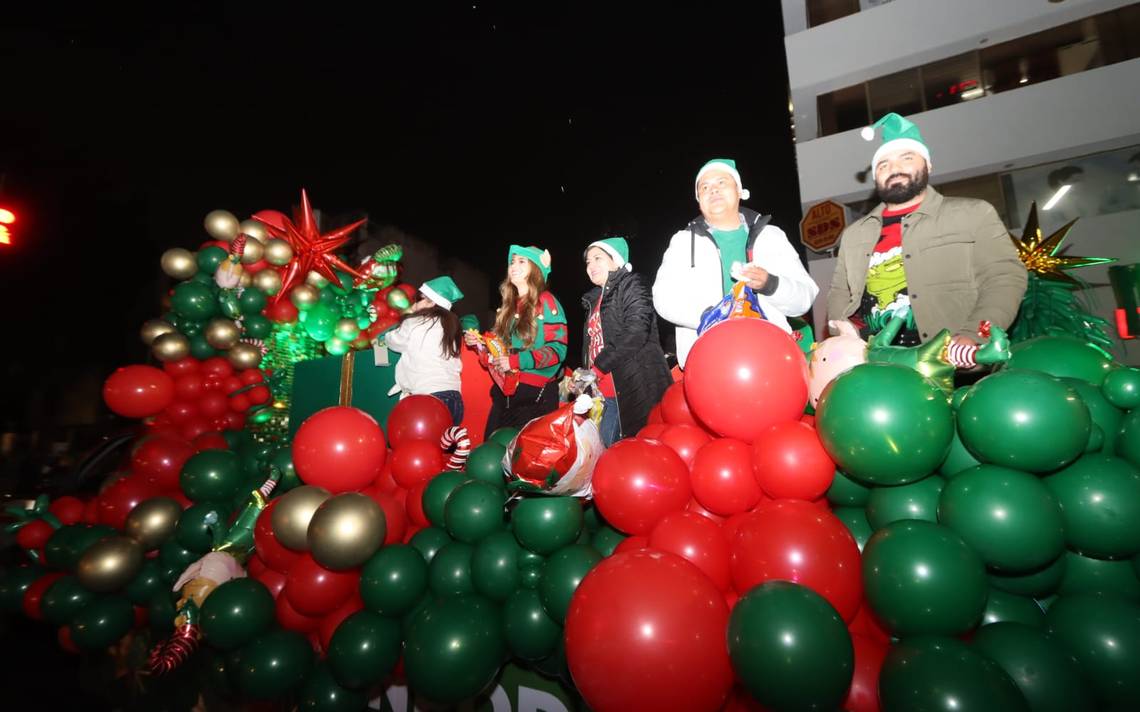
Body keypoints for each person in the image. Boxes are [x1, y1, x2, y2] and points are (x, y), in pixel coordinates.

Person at [826, 112, 1027, 367]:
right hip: (879, 367)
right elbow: (839, 292)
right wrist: (843, 331)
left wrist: (972, 335)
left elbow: (1005, 277)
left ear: (928, 165)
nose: (894, 168)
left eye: (906, 158)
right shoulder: (855, 234)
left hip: (954, 365)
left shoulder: (972, 213)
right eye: (883, 164)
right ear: (875, 177)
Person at [653, 158, 819, 367]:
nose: (713, 190)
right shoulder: (682, 242)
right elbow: (663, 298)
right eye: (704, 187)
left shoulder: (771, 236)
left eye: (721, 182)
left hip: (771, 356)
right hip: (707, 359)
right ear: (698, 199)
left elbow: (805, 297)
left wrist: (770, 283)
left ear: (740, 191)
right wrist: (711, 315)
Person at [465, 245, 568, 439]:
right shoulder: (507, 307)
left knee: (524, 463)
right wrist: (480, 345)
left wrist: (515, 361)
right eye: (512, 262)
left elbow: (557, 350)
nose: (513, 266)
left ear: (537, 269)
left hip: (536, 396)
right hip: (504, 393)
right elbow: (497, 356)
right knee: (491, 451)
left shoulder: (547, 301)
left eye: (522, 261)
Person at [580, 237, 671, 446]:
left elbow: (637, 331)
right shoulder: (593, 300)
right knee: (598, 455)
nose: (591, 265)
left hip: (631, 388)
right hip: (601, 393)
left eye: (597, 258)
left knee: (616, 456)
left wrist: (598, 368)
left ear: (616, 260)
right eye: (588, 262)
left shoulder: (632, 283)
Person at [383, 276, 465, 425]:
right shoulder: (451, 329)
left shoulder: (413, 322)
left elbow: (393, 341)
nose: (414, 304)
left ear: (431, 302)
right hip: (455, 400)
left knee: (419, 446)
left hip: (428, 398)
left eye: (419, 299)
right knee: (445, 447)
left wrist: (384, 335)